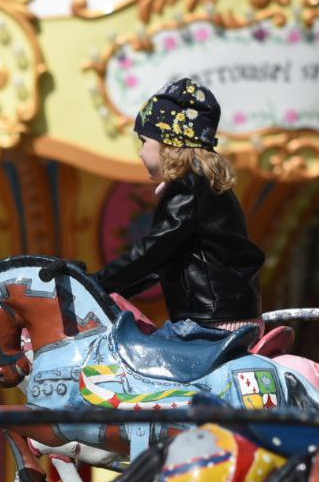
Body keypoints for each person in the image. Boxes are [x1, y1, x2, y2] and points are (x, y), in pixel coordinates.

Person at [95, 77, 265, 334]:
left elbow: (154, 249)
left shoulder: (189, 188)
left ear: (168, 144)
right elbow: (162, 261)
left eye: (144, 141)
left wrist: (95, 282)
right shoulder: (204, 185)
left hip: (211, 321)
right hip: (231, 313)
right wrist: (113, 289)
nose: (141, 152)